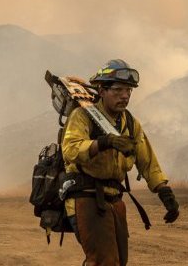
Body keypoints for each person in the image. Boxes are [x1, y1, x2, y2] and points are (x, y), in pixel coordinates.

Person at [60, 59, 179, 266]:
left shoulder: (131, 123)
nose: (125, 96)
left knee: (119, 262)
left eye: (128, 91)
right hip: (86, 198)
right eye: (117, 90)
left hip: (115, 201)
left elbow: (147, 161)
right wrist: (104, 142)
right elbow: (70, 150)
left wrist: (164, 192)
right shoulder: (83, 117)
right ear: (102, 90)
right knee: (104, 262)